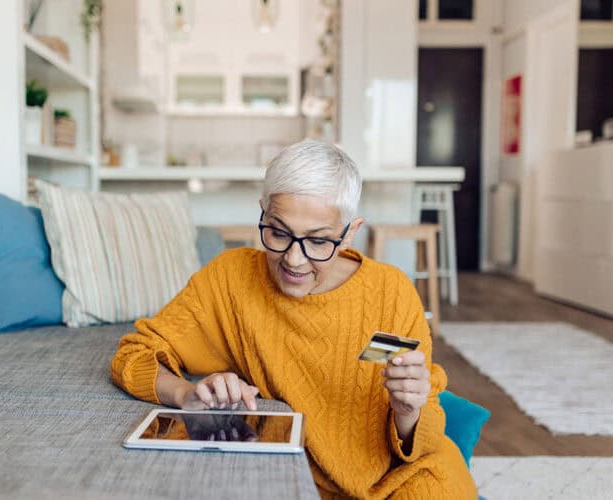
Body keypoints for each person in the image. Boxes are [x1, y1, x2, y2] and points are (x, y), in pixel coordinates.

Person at [111, 139, 476, 499]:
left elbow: (425, 438)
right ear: (263, 212)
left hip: (402, 479)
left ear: (350, 232)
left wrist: (408, 412)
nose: (294, 260)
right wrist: (186, 393)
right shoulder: (229, 281)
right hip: (297, 480)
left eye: (318, 242)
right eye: (279, 232)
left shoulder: (390, 293)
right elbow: (132, 356)